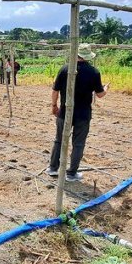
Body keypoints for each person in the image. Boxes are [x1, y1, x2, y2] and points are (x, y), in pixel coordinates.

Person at [47, 44, 108, 182]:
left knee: (59, 140)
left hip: (65, 112)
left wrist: (54, 106)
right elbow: (100, 95)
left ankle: (53, 168)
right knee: (78, 144)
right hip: (83, 114)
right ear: (87, 57)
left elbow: (55, 91)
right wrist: (106, 88)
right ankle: (71, 173)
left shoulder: (64, 69)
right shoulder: (93, 72)